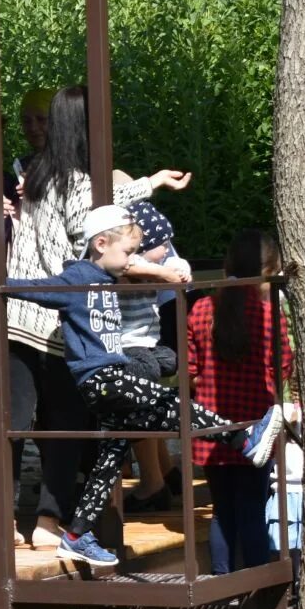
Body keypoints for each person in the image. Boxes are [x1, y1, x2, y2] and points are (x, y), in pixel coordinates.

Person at [2, 206, 281, 571]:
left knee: (112, 455)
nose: (131, 261)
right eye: (128, 252)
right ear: (101, 244)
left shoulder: (107, 278)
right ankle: (243, 440)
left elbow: (129, 267)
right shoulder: (76, 280)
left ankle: (77, 535)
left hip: (113, 375)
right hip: (101, 378)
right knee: (170, 401)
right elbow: (34, 289)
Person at [4, 87, 99, 549]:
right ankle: (48, 519)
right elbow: (89, 242)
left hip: (17, 311)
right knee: (64, 421)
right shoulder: (79, 183)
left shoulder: (31, 175)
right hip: (61, 318)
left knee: (15, 419)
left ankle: (3, 515)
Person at [184, 230, 293, 573]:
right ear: (269, 270)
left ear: (228, 264)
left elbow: (188, 370)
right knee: (252, 509)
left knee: (223, 511)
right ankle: (258, 591)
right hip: (254, 431)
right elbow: (284, 368)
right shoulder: (269, 314)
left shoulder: (201, 308)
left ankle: (222, 586)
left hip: (211, 429)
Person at [118, 201, 192, 514]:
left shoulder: (153, 266)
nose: (166, 251)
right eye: (161, 246)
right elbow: (126, 266)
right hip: (130, 347)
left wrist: (179, 267)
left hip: (142, 348)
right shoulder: (127, 270)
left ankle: (155, 480)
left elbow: (176, 264)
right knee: (139, 409)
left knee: (139, 410)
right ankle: (159, 475)